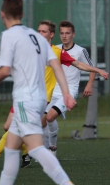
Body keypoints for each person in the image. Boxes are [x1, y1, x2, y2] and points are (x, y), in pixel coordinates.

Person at [0, 0, 81, 185]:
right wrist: (66, 93)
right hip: (36, 99)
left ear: (2, 14)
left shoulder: (9, 36)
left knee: (35, 148)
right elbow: (55, 65)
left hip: (26, 100)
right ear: (23, 15)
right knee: (12, 147)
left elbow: (5, 70)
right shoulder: (34, 37)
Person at [0, 20, 61, 168]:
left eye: (44, 31)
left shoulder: (56, 52)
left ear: (51, 35)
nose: (40, 34)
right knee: (7, 126)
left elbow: (75, 64)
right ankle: (26, 155)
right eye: (39, 31)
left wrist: (95, 71)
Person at [45, 20, 106, 156]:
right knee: (44, 121)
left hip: (69, 92)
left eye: (67, 33)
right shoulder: (56, 49)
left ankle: (52, 147)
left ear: (73, 34)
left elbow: (89, 67)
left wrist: (89, 84)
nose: (64, 36)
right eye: (62, 33)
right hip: (53, 91)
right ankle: (44, 150)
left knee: (50, 117)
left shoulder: (80, 51)